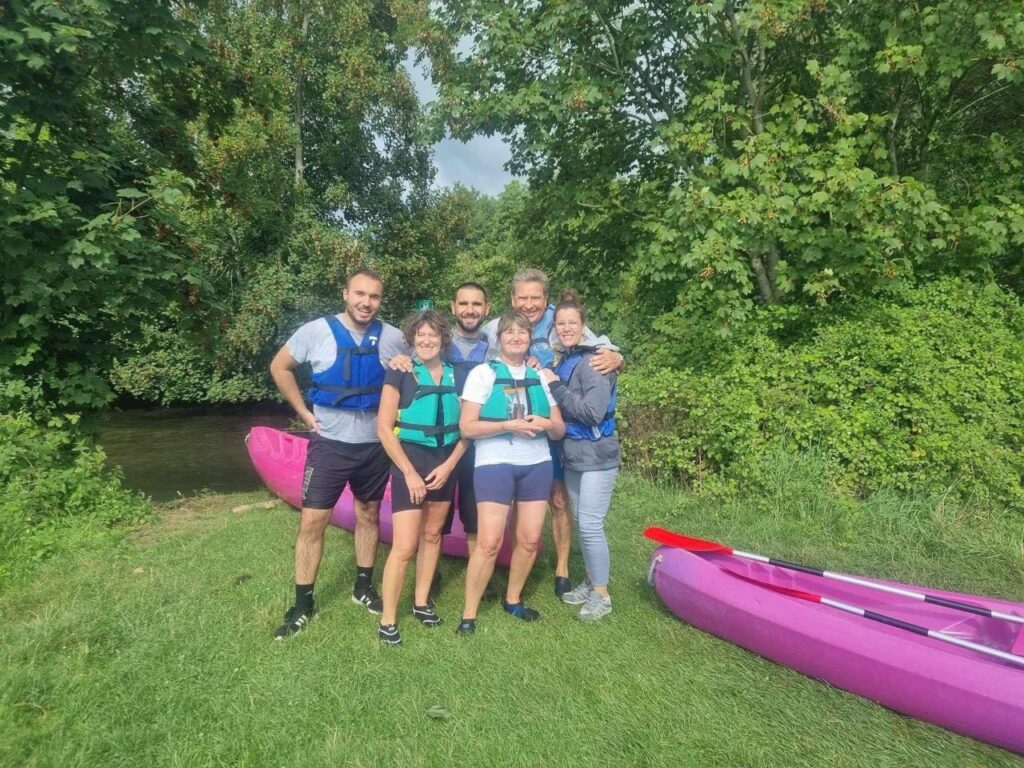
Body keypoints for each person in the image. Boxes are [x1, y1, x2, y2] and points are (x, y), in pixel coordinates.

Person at [268, 268, 407, 639]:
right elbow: (279, 366)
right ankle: (303, 604)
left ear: (380, 300)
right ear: (346, 294)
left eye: (374, 296)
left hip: (374, 445)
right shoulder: (315, 331)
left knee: (369, 513)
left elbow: (421, 370)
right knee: (313, 521)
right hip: (329, 443)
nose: (366, 302)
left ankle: (363, 587)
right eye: (360, 294)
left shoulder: (394, 338)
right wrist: (302, 412)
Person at [480, 268, 623, 598]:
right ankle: (515, 562)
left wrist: (618, 356)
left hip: (560, 425)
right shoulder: (496, 327)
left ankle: (562, 569)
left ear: (546, 299)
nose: (529, 304)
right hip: (517, 424)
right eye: (522, 298)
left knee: (559, 500)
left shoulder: (562, 322)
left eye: (536, 298)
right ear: (512, 298)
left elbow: (599, 348)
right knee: (518, 500)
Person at [456, 310, 565, 635]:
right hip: (495, 463)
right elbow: (467, 427)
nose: (516, 338)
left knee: (529, 540)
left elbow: (559, 429)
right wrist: (507, 425)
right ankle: (469, 613)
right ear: (499, 339)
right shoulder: (483, 374)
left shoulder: (540, 376)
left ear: (530, 338)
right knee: (489, 542)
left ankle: (513, 599)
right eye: (509, 333)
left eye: (522, 332)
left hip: (537, 464)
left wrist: (546, 423)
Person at [375, 310, 468, 645]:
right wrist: (410, 473)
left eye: (433, 335)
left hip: (445, 465)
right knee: (404, 546)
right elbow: (383, 429)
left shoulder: (459, 375)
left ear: (443, 339)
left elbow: (468, 430)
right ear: (412, 339)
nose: (427, 340)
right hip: (410, 464)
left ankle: (420, 602)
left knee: (432, 536)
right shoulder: (400, 372)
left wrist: (449, 467)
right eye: (421, 335)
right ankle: (387, 620)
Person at [541, 292, 621, 621]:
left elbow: (592, 412)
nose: (566, 328)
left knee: (589, 524)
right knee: (582, 520)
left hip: (598, 454)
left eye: (572, 323)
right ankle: (590, 581)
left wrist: (556, 387)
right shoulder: (566, 358)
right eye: (560, 323)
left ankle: (602, 594)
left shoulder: (596, 360)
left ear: (583, 325)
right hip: (574, 454)